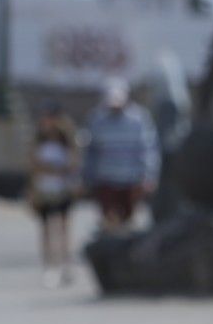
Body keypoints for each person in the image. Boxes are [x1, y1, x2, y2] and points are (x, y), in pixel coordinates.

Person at [82, 77, 159, 232]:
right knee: (109, 221)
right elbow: (91, 151)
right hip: (105, 178)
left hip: (131, 179)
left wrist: (149, 176)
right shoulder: (97, 119)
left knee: (127, 223)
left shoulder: (139, 119)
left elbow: (148, 149)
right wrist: (86, 177)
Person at [28, 108, 80, 285]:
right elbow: (35, 167)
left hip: (62, 190)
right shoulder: (39, 144)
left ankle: (66, 265)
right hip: (44, 190)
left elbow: (72, 165)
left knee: (64, 229)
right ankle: (49, 266)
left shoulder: (67, 144)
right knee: (46, 230)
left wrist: (52, 169)